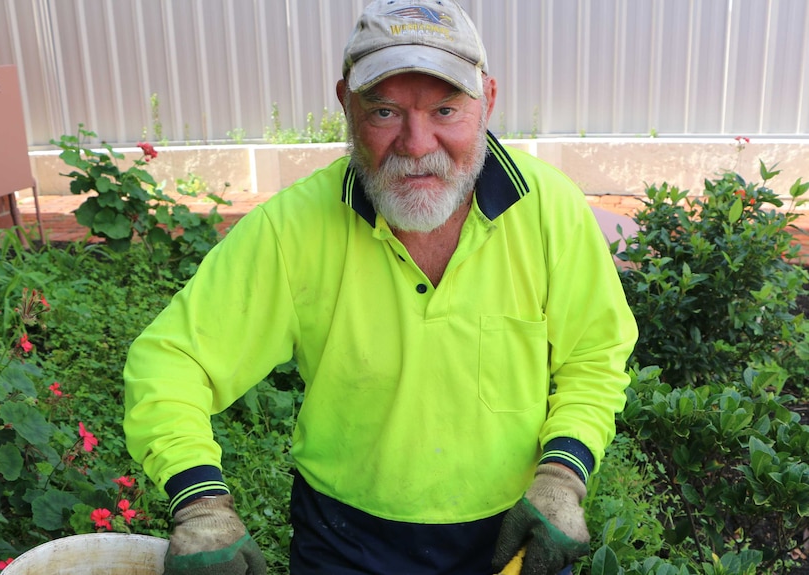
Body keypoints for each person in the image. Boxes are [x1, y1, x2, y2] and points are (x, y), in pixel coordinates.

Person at [123, 1, 638, 573]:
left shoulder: (550, 211)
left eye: (446, 109)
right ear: (346, 104)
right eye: (386, 111)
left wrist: (563, 476)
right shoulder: (293, 228)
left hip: (515, 531)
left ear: (487, 100)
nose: (417, 144)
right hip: (346, 541)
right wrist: (199, 503)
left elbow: (594, 355)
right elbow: (170, 361)